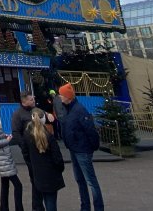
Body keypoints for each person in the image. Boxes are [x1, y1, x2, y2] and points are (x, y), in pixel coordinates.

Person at [58, 82, 104, 211]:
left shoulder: (79, 110)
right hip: (74, 148)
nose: (60, 97)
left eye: (61, 95)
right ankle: (85, 207)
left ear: (68, 97)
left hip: (82, 150)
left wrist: (93, 146)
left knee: (90, 181)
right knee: (80, 180)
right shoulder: (69, 109)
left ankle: (98, 208)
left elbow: (90, 129)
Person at [24, 108, 65, 211]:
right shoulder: (49, 136)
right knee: (50, 202)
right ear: (43, 119)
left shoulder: (28, 135)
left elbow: (25, 153)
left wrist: (32, 166)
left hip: (38, 173)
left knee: (43, 199)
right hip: (51, 174)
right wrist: (60, 168)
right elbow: (57, 157)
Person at [11, 89, 44, 211]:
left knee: (41, 177)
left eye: (33, 98)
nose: (34, 100)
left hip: (41, 149)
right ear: (24, 101)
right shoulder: (18, 114)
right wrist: (24, 148)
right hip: (29, 151)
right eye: (31, 99)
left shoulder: (35, 110)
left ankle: (39, 205)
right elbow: (16, 132)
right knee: (35, 179)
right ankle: (37, 207)